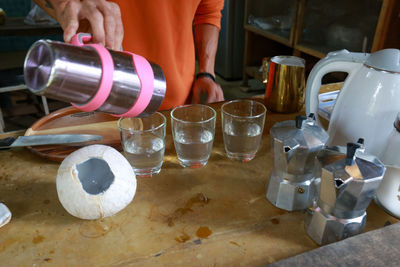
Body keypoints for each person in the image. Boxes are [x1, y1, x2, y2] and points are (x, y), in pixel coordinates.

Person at [33, 0, 225, 110]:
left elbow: (208, 11)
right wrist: (63, 4)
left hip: (179, 103)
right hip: (99, 97)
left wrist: (206, 73)